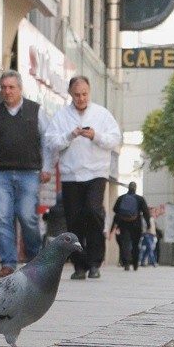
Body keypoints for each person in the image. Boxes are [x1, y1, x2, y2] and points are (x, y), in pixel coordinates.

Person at [0, 70, 54, 278]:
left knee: (27, 217)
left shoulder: (35, 111)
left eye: (11, 87)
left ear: (20, 88)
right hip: (0, 174)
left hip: (29, 173)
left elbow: (48, 141)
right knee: (2, 219)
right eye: (4, 88)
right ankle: (8, 263)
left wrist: (46, 168)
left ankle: (36, 259)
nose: (7, 91)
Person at [44, 75, 122, 280]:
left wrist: (95, 135)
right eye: (77, 94)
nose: (81, 98)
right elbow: (51, 143)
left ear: (90, 92)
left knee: (93, 211)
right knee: (74, 219)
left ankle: (95, 262)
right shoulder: (61, 116)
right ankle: (79, 265)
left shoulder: (101, 114)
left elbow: (115, 138)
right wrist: (70, 135)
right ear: (70, 94)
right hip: (71, 175)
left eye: (84, 94)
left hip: (96, 172)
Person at [111, 181, 151, 273]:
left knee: (125, 243)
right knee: (135, 244)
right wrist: (148, 224)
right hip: (136, 224)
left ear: (128, 188)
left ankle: (127, 263)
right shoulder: (140, 199)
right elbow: (146, 212)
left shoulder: (121, 198)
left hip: (123, 224)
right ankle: (135, 264)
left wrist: (116, 224)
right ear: (135, 188)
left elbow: (115, 209)